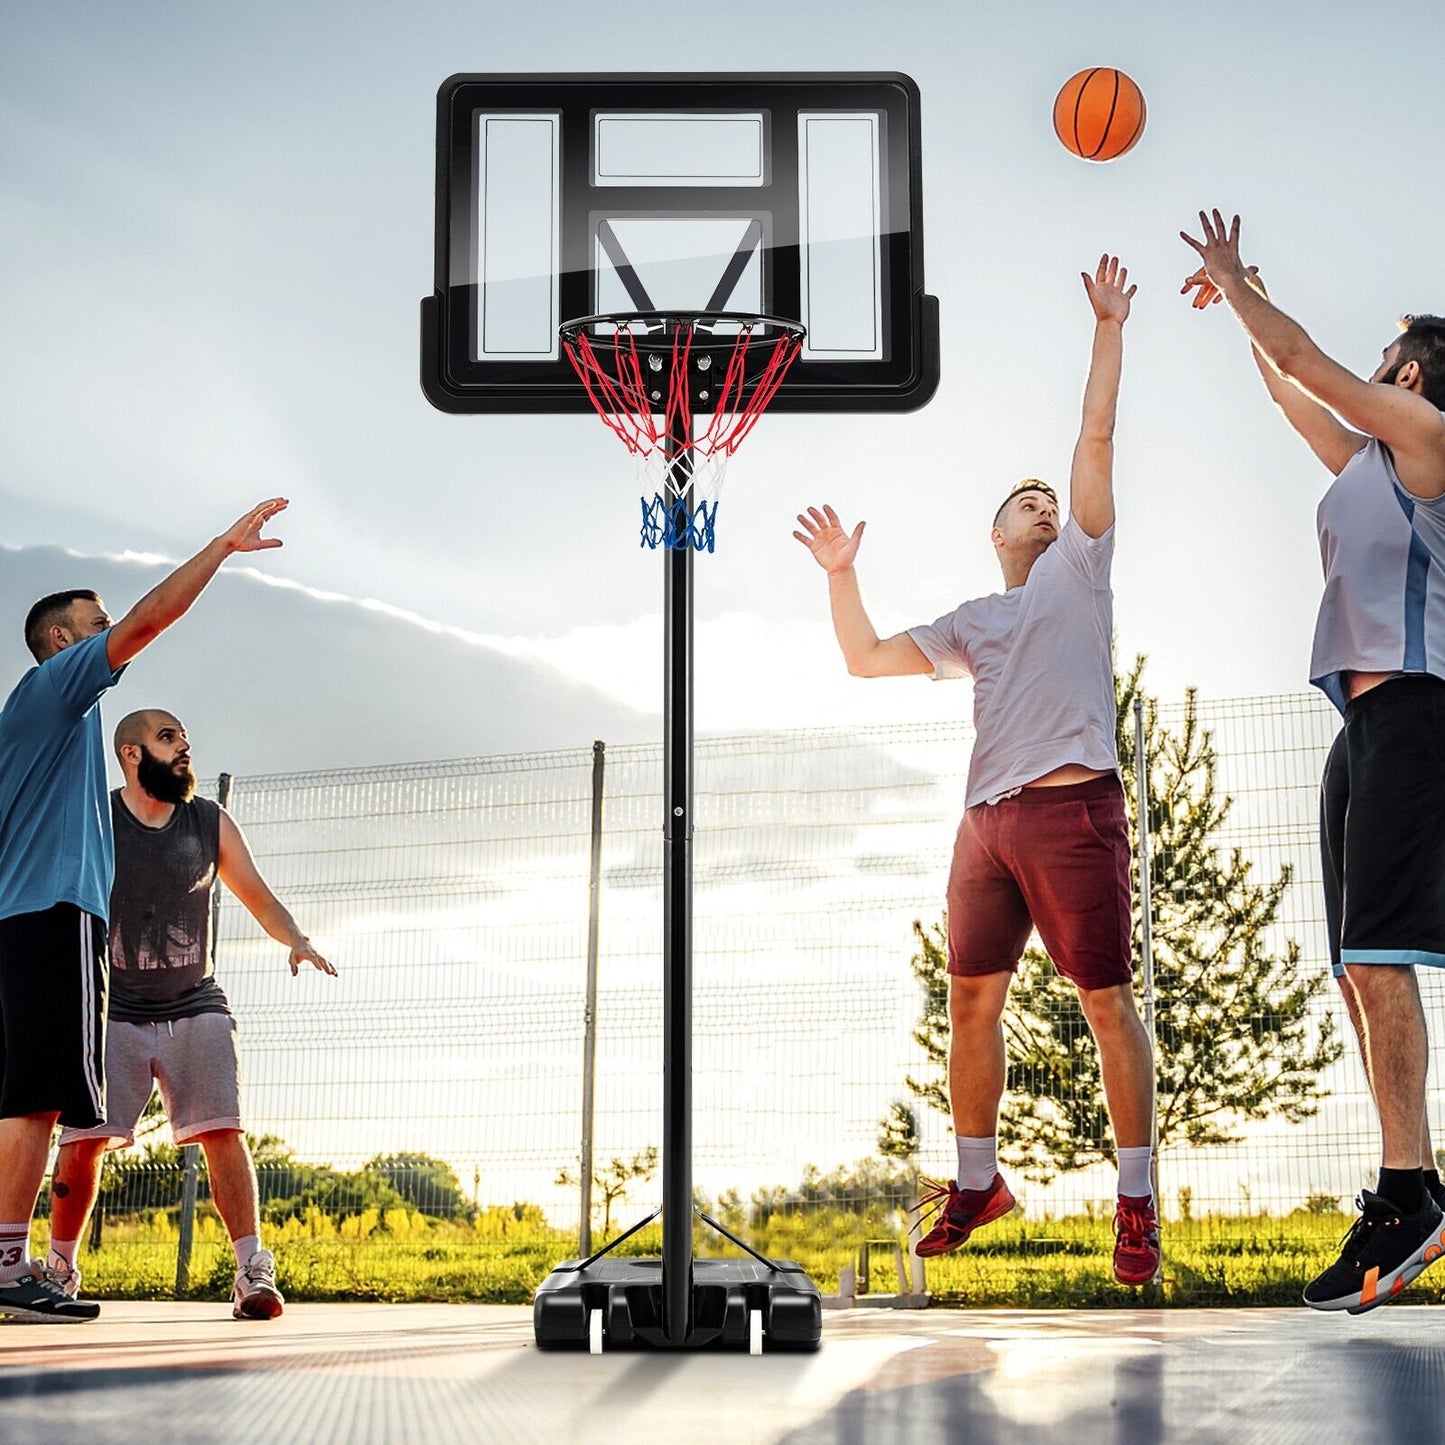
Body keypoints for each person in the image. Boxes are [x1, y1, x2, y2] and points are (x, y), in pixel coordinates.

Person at [794, 257, 1159, 1286]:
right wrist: (841, 575)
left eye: (1051, 499)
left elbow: (1093, 437)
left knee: (1102, 1004)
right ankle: (975, 1181)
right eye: (1026, 500)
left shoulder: (1081, 568)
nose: (1047, 503)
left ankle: (1133, 1201)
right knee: (968, 1006)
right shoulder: (972, 619)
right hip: (982, 829)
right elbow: (862, 658)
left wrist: (1106, 328)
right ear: (993, 532)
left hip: (1070, 808)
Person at [1182, 209, 1445, 1313]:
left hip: (1421, 712)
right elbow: (1289, 388)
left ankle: (1407, 1194)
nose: (1372, 364)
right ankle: (1408, 1182)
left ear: (1414, 370)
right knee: (1355, 963)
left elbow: (1307, 361)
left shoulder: (1426, 438)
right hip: (1360, 721)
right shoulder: (1364, 462)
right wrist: (1241, 310)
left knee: (1380, 955)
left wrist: (1240, 280)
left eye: (1386, 356)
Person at [0, 499, 288, 1322]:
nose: (109, 630)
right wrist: (220, 548)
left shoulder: (42, 733)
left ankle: (13, 1258)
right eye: (95, 624)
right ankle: (14, 1263)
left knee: (26, 1096)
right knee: (38, 1102)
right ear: (64, 641)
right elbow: (153, 618)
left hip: (24, 918)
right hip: (51, 917)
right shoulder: (54, 691)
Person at [46, 710, 335, 1319]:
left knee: (222, 1130)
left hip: (194, 998)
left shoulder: (209, 821)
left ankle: (252, 1273)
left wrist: (296, 938)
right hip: (109, 1007)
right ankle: (60, 1271)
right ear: (131, 754)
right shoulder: (97, 821)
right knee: (82, 1144)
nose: (184, 748)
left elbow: (254, 890)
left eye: (185, 739)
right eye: (168, 738)